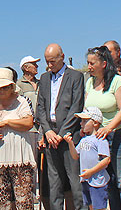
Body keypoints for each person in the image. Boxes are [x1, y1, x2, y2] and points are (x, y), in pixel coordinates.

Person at [0, 67, 36, 210]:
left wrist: (7, 122)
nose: (0, 90)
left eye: (4, 87)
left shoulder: (21, 102)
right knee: (3, 203)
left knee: (24, 202)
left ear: (11, 87)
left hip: (19, 159)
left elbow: (28, 123)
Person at [83, 45, 121, 210]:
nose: (89, 67)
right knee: (108, 180)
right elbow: (87, 109)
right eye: (88, 63)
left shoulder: (117, 81)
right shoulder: (90, 83)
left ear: (103, 64)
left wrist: (109, 128)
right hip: (98, 138)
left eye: (92, 63)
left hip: (117, 135)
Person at [37, 43, 84, 210]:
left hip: (69, 136)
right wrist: (48, 131)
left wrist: (62, 133)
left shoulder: (76, 77)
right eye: (47, 62)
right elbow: (40, 107)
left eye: (52, 61)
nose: (50, 65)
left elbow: (76, 106)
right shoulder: (44, 79)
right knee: (54, 182)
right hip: (50, 136)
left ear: (62, 57)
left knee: (75, 181)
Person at [63, 107, 109, 210]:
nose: (81, 123)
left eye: (85, 121)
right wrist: (70, 143)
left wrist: (91, 171)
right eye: (81, 121)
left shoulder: (100, 139)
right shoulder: (83, 140)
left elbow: (106, 160)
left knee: (99, 207)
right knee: (90, 206)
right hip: (86, 180)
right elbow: (75, 156)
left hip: (97, 181)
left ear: (95, 123)